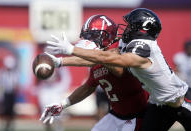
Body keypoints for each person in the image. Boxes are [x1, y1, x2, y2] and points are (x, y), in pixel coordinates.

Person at [43, 8, 191, 131]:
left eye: (130, 26)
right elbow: (103, 57)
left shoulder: (143, 47)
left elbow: (115, 60)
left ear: (142, 29)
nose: (126, 29)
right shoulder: (126, 45)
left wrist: (71, 49)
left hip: (181, 100)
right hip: (159, 105)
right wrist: (60, 61)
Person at [41, 14, 149, 131]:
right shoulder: (97, 59)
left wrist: (68, 56)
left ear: (107, 35)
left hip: (138, 114)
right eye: (87, 36)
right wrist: (63, 104)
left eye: (93, 36)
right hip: (116, 115)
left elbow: (118, 69)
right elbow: (88, 87)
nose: (89, 40)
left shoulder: (121, 47)